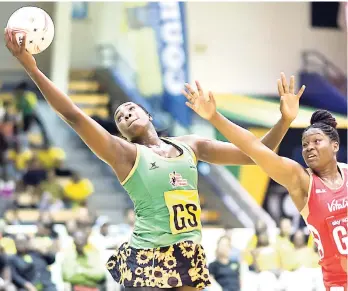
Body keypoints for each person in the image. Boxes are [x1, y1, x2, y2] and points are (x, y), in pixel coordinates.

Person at [5, 30, 301, 291]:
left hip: (188, 252)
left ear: (148, 115)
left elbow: (259, 154)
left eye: (131, 109)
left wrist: (285, 120)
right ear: (120, 131)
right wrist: (32, 69)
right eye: (119, 118)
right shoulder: (126, 154)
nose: (125, 115)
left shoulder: (191, 145)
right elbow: (74, 116)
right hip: (148, 255)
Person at [183, 73, 347, 291]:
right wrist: (214, 117)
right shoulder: (301, 179)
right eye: (305, 144)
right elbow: (254, 147)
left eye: (317, 141)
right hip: (339, 282)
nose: (309, 148)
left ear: (335, 145)